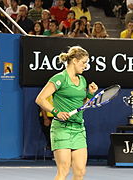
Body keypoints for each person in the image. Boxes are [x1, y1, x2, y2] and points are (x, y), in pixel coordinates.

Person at [35, 46, 98, 180]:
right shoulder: (59, 78)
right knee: (63, 171)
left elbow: (83, 106)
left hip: (79, 129)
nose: (85, 66)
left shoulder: (82, 80)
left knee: (80, 172)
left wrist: (90, 94)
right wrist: (56, 112)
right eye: (84, 62)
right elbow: (40, 99)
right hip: (61, 129)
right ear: (74, 61)